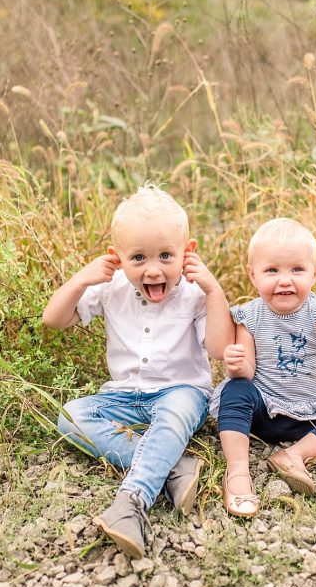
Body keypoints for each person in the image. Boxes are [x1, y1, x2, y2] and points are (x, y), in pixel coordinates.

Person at [42, 183, 231, 558]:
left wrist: (215, 292)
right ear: (118, 258)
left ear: (187, 253)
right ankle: (174, 466)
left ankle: (131, 502)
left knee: (173, 417)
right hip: (123, 396)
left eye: (165, 256)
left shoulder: (194, 295)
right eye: (139, 258)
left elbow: (220, 350)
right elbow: (53, 319)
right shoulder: (109, 288)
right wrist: (81, 279)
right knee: (70, 416)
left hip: (181, 392)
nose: (153, 269)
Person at [211, 217, 316, 517]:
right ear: (253, 276)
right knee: (236, 390)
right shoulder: (249, 315)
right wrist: (236, 365)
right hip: (265, 412)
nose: (285, 280)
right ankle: (237, 471)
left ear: (314, 273)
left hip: (313, 413)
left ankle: (293, 455)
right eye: (272, 270)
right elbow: (248, 369)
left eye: (297, 269)